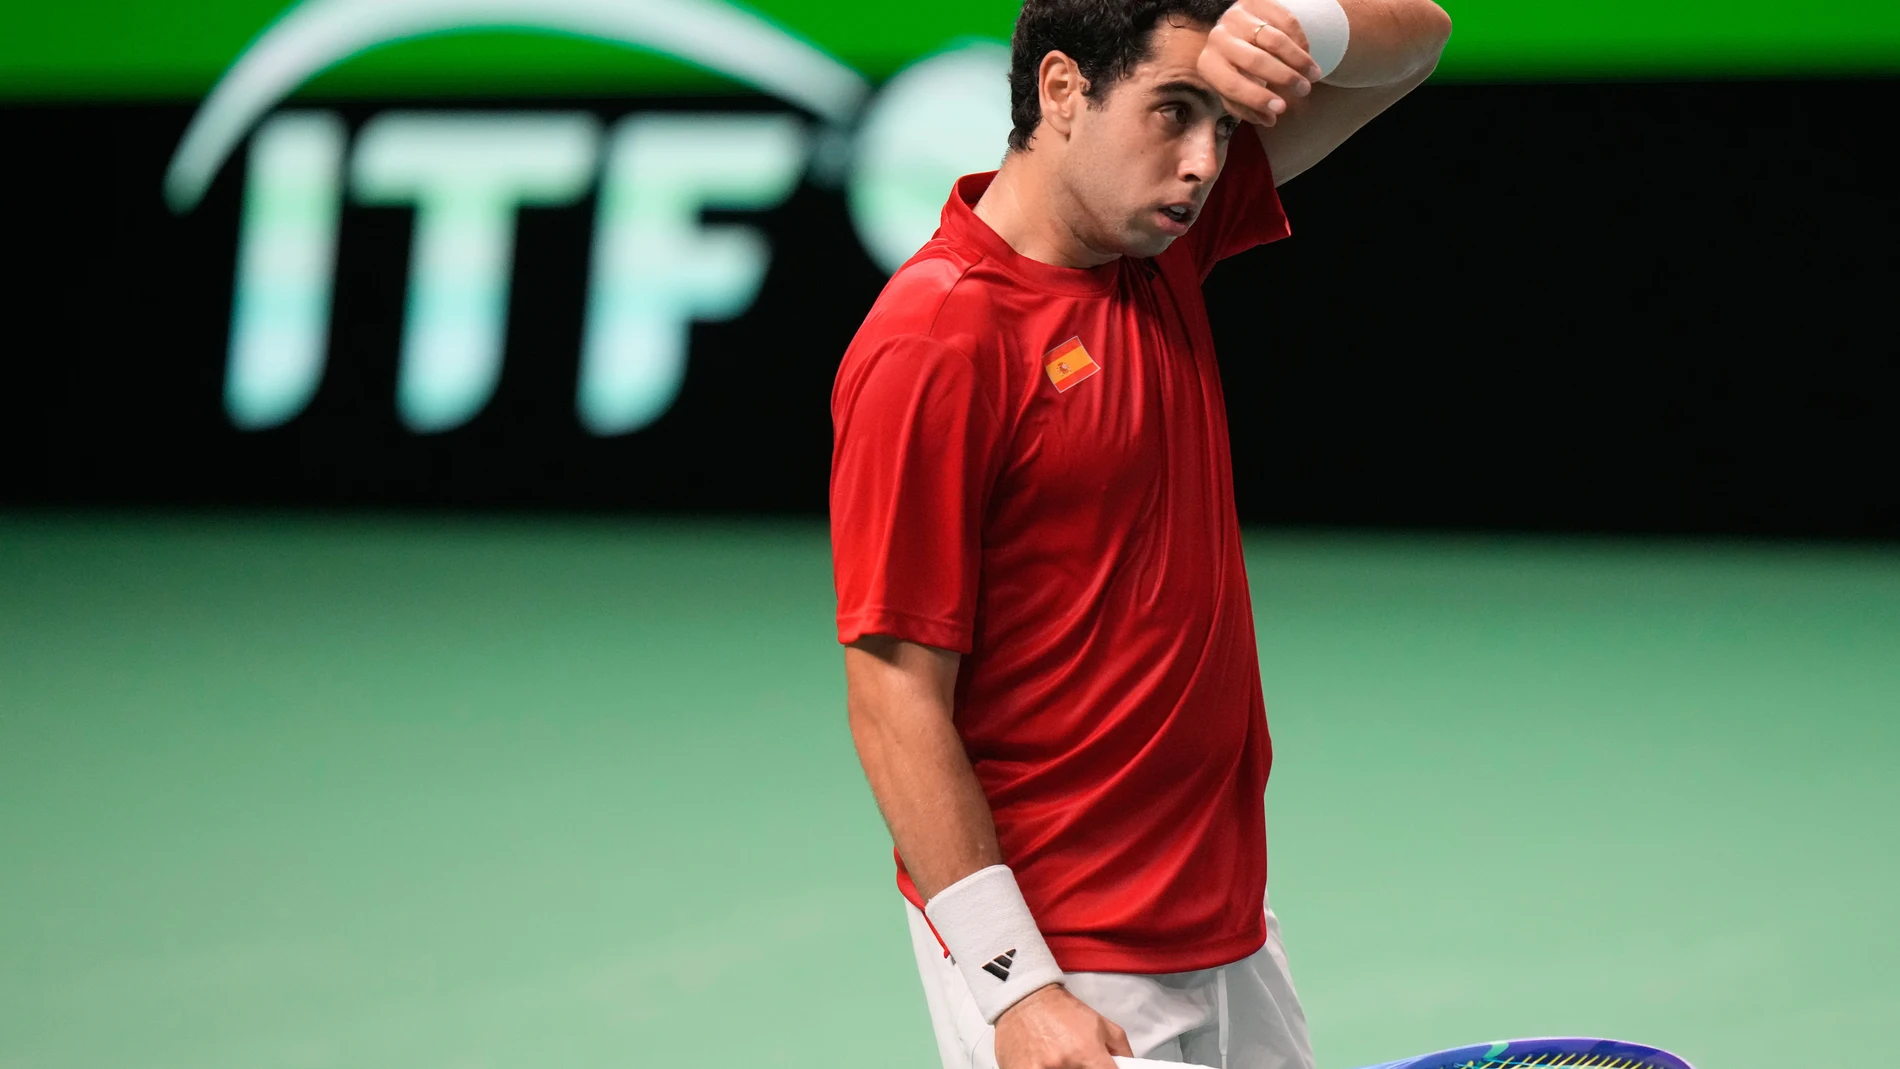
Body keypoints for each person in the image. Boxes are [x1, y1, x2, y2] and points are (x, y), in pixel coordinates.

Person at [829, 0, 1450, 1065]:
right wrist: (1017, 988)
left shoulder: (1156, 244)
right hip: (1067, 952)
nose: (1205, 161)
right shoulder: (934, 341)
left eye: (1224, 122)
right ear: (1062, 90)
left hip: (1224, 922)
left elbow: (1419, 42)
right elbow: (893, 699)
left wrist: (1296, 26)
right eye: (1174, 111)